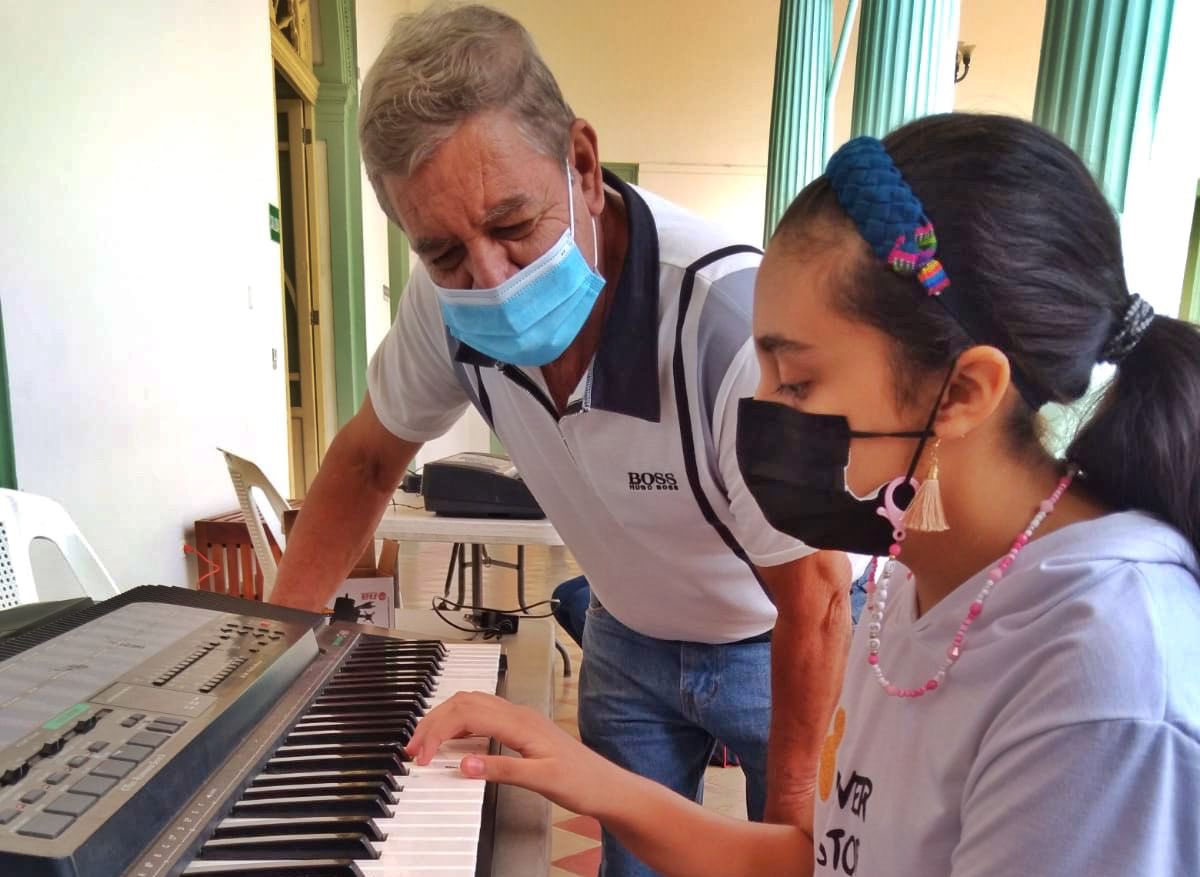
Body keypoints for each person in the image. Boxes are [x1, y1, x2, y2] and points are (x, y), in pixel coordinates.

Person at [407, 113, 1200, 876]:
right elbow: (819, 859)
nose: (760, 409)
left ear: (963, 392)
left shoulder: (1103, 679)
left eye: (798, 379)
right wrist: (580, 773)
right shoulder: (909, 581)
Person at [268, 6, 851, 873]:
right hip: (625, 630)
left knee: (793, 852)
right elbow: (364, 459)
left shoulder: (729, 326)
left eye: (511, 225)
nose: (490, 280)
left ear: (581, 162)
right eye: (444, 252)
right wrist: (276, 659)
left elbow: (817, 593)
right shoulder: (442, 309)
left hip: (775, 641)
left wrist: (795, 821)